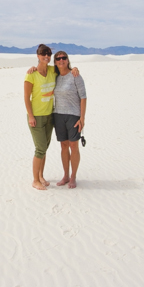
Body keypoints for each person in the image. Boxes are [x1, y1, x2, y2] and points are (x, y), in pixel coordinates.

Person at [51, 51, 87, 189]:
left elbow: (83, 97)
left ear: (67, 60)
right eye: (58, 58)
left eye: (64, 58)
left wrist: (82, 118)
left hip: (73, 115)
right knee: (64, 146)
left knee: (74, 146)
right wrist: (33, 68)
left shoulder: (75, 75)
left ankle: (73, 176)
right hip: (58, 115)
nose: (61, 60)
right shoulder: (55, 76)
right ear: (55, 62)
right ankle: (65, 175)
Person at [24, 44, 57, 191]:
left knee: (45, 148)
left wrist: (75, 69)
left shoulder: (52, 70)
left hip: (49, 115)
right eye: (44, 54)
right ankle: (35, 180)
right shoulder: (31, 74)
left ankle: (41, 176)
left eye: (49, 54)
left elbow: (65, 69)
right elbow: (26, 97)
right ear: (38, 56)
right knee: (40, 148)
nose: (47, 56)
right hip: (36, 117)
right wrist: (31, 116)